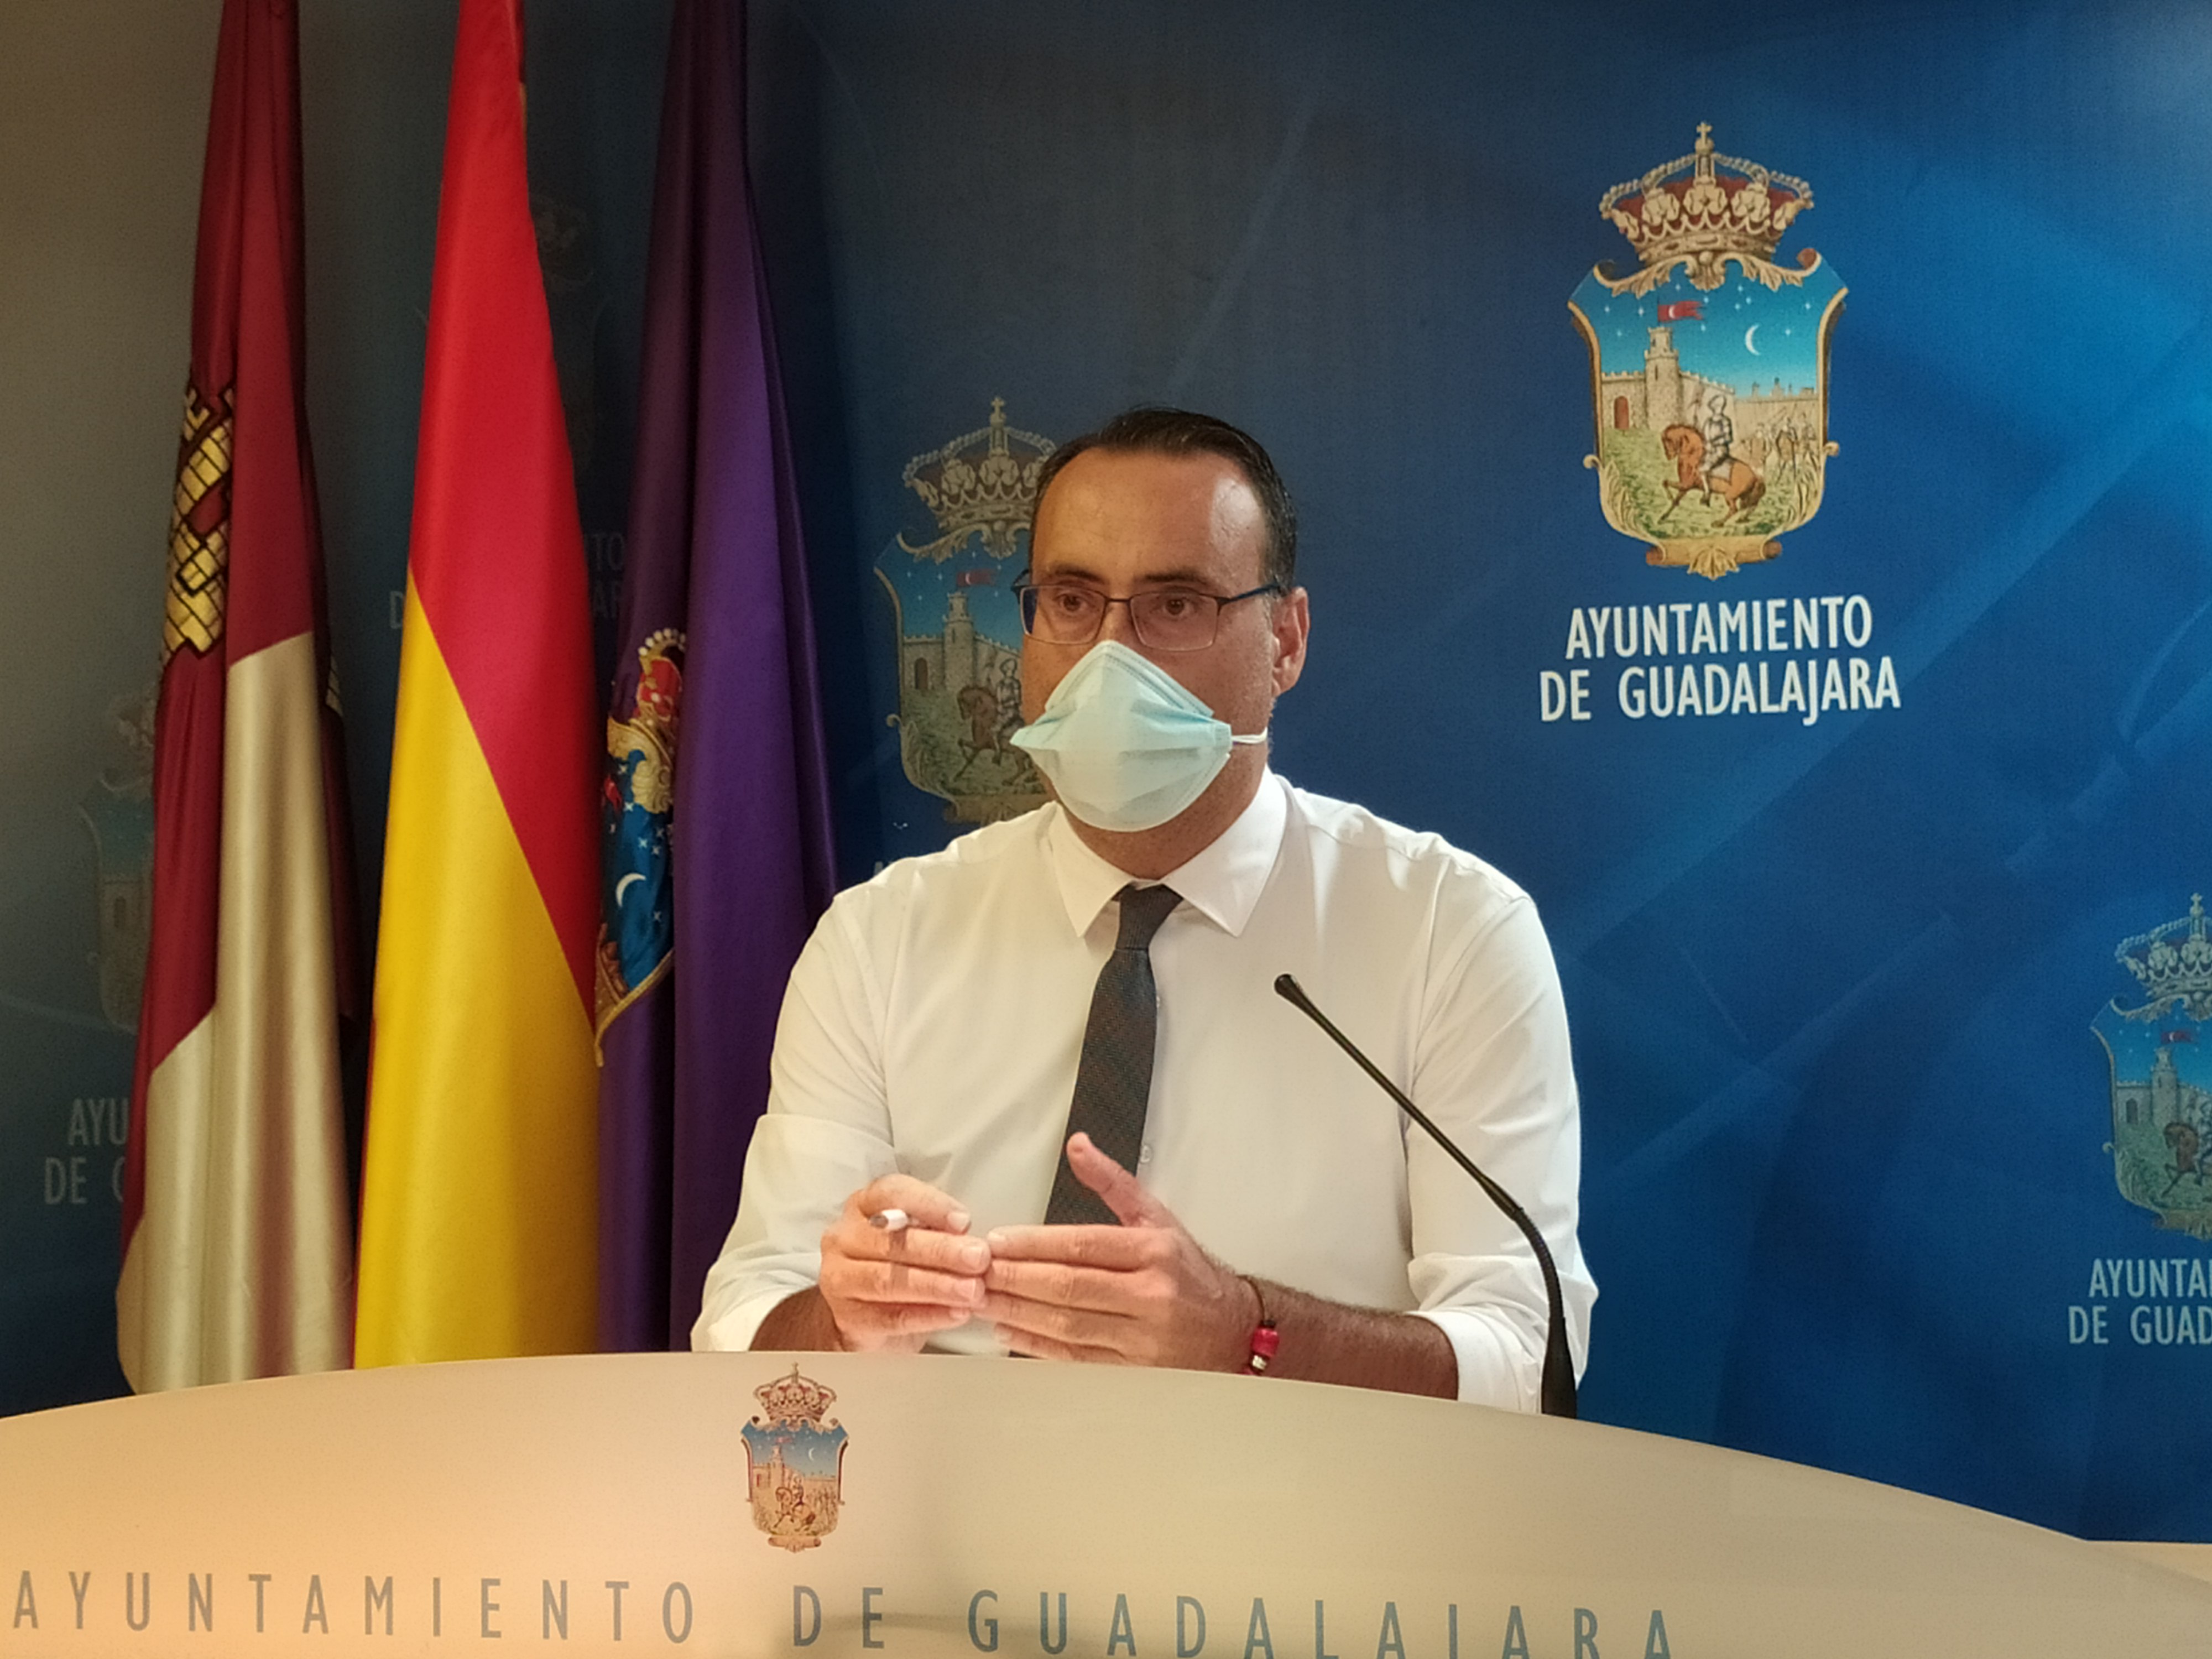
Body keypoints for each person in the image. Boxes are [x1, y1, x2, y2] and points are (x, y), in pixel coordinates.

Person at [693, 409, 1594, 1406]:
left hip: (1306, 1505)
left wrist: (1248, 1331)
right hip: (959, 1506)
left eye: (1175, 605)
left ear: (1285, 640)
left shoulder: (1447, 932)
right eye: (1072, 601)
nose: (1108, 657)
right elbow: (741, 1325)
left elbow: (1527, 1356)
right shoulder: (881, 940)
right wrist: (845, 1320)